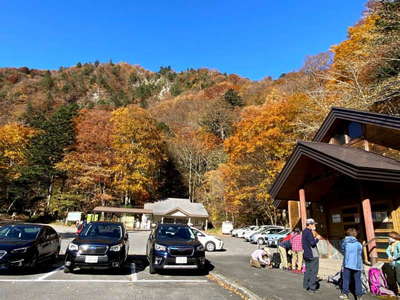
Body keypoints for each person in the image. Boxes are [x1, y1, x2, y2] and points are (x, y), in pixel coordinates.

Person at [339, 228, 363, 300]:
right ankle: (359, 296)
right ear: (355, 234)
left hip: (347, 263)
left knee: (346, 279)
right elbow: (360, 252)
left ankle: (345, 294)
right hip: (357, 264)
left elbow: (342, 250)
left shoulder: (344, 242)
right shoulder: (358, 244)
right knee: (358, 280)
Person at [302, 218, 322, 293]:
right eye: (313, 224)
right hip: (312, 254)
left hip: (306, 254)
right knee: (314, 271)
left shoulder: (304, 231)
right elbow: (312, 243)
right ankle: (312, 287)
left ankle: (306, 285)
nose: (314, 226)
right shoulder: (309, 232)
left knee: (308, 270)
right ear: (310, 225)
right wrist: (317, 238)